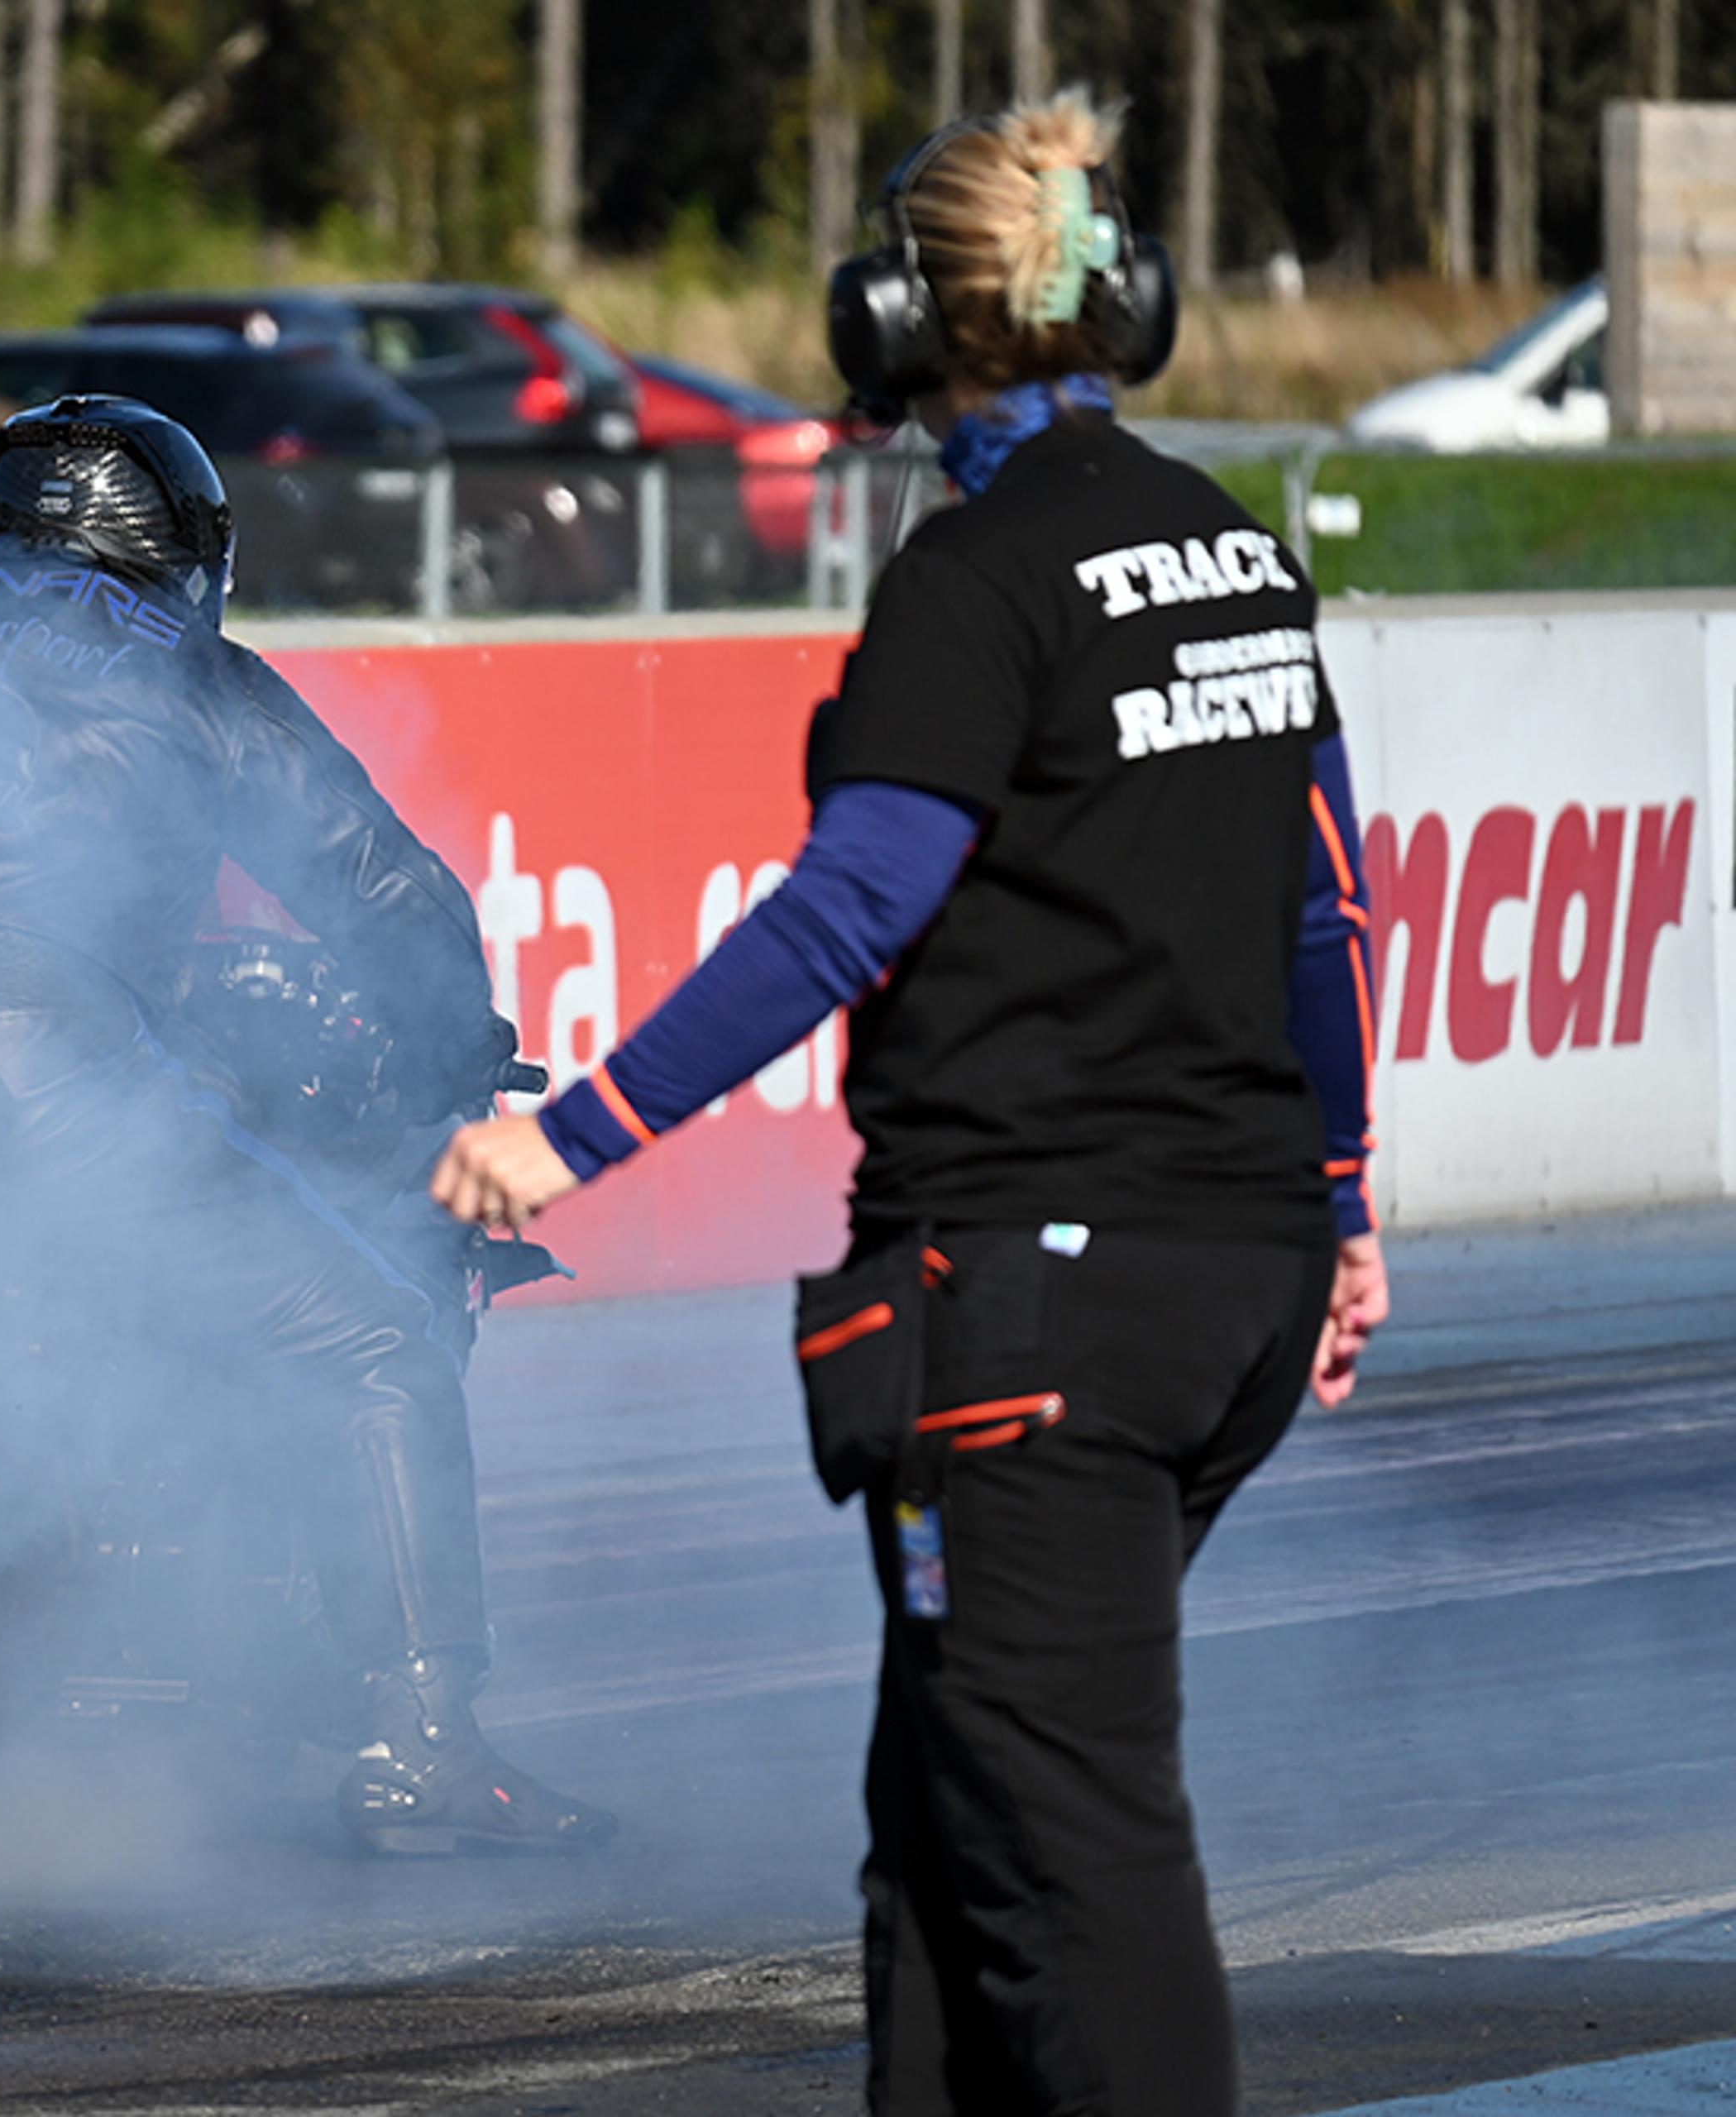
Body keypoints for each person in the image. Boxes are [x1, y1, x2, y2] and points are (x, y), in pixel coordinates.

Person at [432, 93, 1389, 2111]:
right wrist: (1345, 1198)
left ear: (894, 319)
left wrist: (567, 1128)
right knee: (949, 1826)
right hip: (1230, 1279)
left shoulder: (974, 579)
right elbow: (1326, 907)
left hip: (1038, 1314)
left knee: (1063, 1850)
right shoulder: (1239, 551)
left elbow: (853, 906)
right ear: (1118, 299)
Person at [0, 395, 613, 1855]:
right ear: (179, 543)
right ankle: (427, 1746)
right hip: (44, 1081)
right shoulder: (185, 672)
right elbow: (377, 888)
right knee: (379, 1339)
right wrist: (460, 1046)